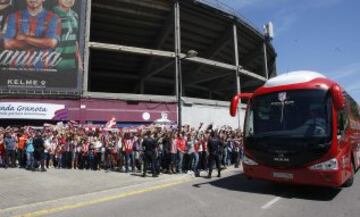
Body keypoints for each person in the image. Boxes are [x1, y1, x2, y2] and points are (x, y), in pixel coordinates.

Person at [4, 0, 61, 68]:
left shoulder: (54, 18)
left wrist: (25, 38)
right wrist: (41, 42)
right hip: (17, 70)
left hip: (43, 71)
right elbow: (7, 44)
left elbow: (51, 43)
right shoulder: (13, 17)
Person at [53, 0, 82, 71]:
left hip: (71, 66)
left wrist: (80, 63)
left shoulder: (75, 15)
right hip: (54, 66)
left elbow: (75, 40)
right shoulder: (51, 14)